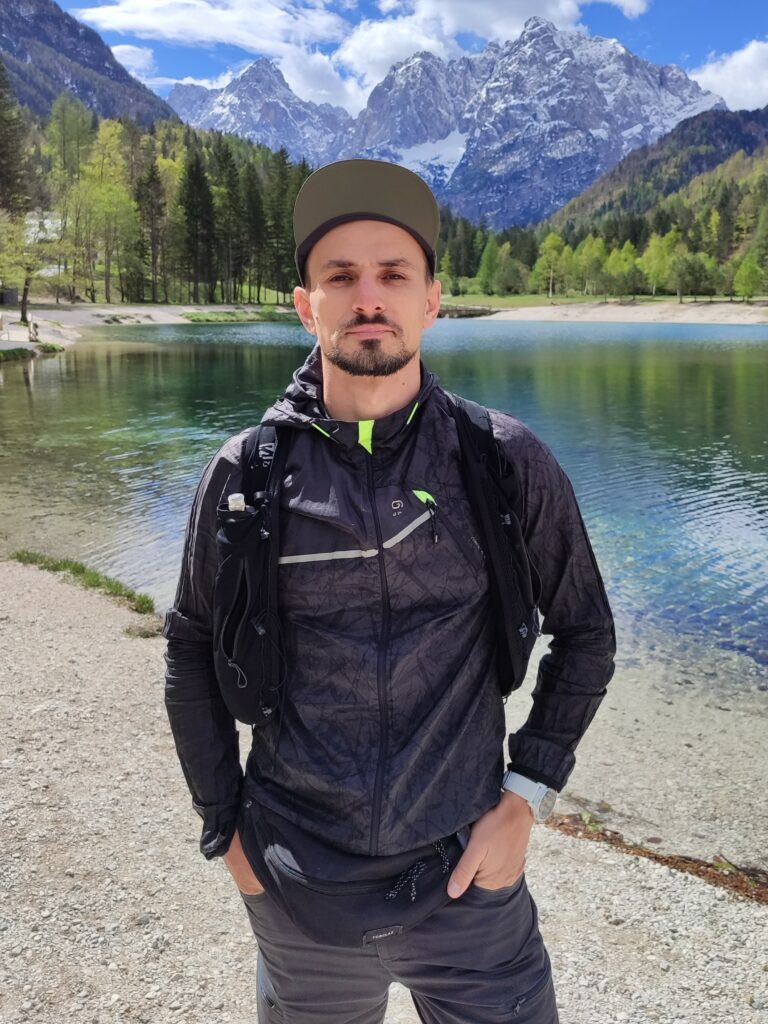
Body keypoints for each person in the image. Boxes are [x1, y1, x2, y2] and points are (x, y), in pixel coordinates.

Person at [163, 159, 616, 1024]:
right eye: (341, 277)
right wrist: (226, 831)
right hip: (295, 889)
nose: (368, 298)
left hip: (469, 885)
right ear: (306, 306)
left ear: (432, 300)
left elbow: (586, 631)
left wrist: (527, 796)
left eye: (393, 275)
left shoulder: (502, 460)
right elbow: (189, 645)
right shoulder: (245, 475)